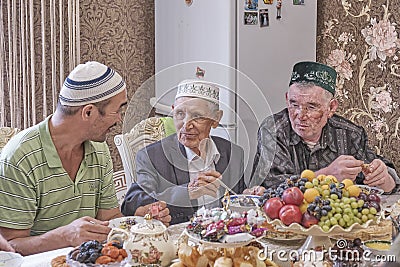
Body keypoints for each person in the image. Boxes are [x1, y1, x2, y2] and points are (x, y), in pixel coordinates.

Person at [0, 61, 170, 255]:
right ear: (88, 112)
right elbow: (9, 247)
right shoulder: (21, 157)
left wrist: (136, 221)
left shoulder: (99, 148)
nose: (119, 119)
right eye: (117, 110)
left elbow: (109, 218)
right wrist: (65, 236)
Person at [250, 61, 399, 193]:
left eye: (311, 107)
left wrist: (384, 179)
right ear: (287, 99)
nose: (300, 115)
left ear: (331, 107)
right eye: (294, 104)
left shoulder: (350, 134)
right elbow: (270, 188)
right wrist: (327, 175)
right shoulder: (273, 130)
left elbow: (386, 180)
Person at [122, 79, 246, 224]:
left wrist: (249, 196)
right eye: (180, 113)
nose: (186, 125)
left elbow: (238, 199)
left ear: (216, 118)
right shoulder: (152, 156)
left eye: (197, 116)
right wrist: (187, 192)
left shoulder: (233, 153)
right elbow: (132, 202)